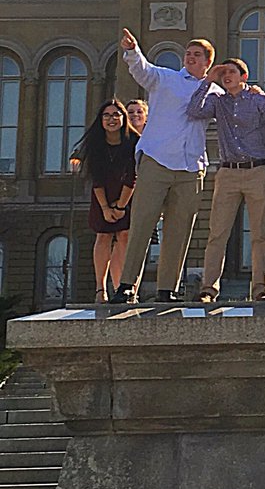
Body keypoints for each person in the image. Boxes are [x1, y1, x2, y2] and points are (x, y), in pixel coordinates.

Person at [111, 29, 214, 304]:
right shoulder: (167, 78)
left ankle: (167, 289)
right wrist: (133, 52)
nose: (190, 59)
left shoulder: (214, 91)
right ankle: (126, 286)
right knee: (142, 224)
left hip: (191, 167)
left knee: (179, 231)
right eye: (188, 54)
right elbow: (143, 71)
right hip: (156, 161)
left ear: (208, 62)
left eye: (197, 55)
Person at [186, 58, 265, 302]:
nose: (226, 76)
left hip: (257, 171)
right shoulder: (217, 101)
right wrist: (207, 81)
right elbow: (193, 111)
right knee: (217, 233)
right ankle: (209, 289)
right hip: (227, 173)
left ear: (244, 76)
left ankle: (261, 289)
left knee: (260, 234)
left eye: (231, 72)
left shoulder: (260, 101)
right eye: (223, 73)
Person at [74, 99, 138, 302]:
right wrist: (105, 207)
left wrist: (120, 206)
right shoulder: (95, 144)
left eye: (116, 115)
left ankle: (123, 288)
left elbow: (132, 176)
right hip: (102, 195)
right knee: (103, 236)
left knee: (124, 235)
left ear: (123, 118)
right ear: (101, 120)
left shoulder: (134, 142)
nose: (112, 119)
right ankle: (100, 289)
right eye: (107, 115)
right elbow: (96, 177)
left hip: (127, 194)